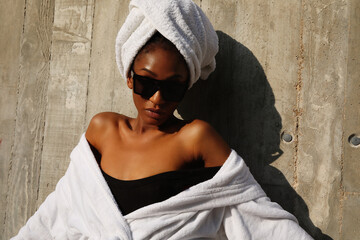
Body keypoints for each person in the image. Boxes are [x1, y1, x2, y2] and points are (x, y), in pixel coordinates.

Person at [12, 0, 313, 239]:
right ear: (130, 77)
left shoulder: (196, 138)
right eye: (147, 83)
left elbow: (257, 216)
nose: (157, 99)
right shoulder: (102, 129)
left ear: (187, 86)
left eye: (172, 88)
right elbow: (58, 213)